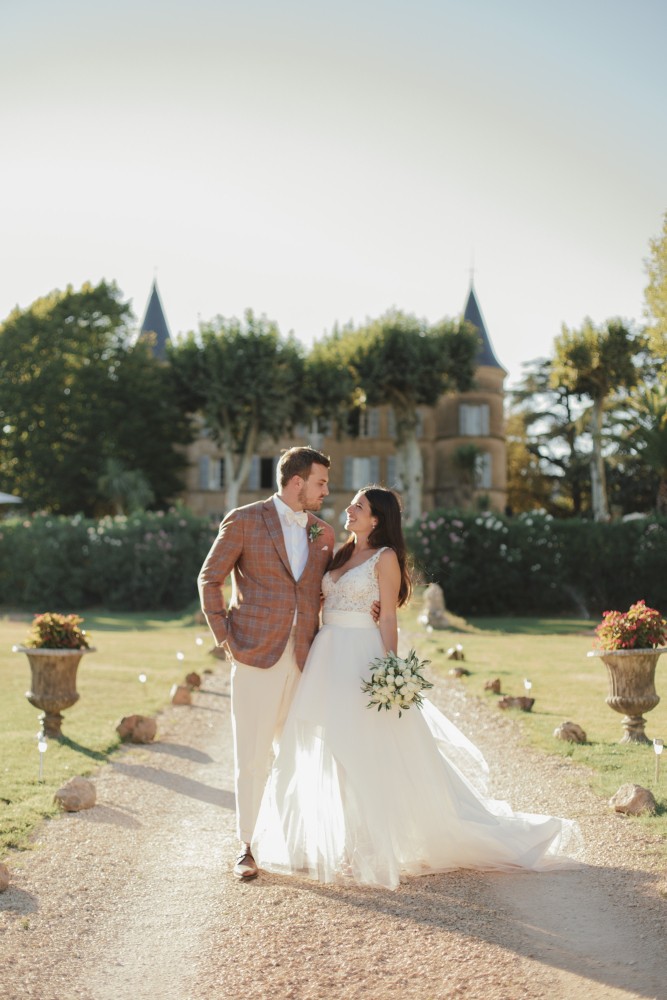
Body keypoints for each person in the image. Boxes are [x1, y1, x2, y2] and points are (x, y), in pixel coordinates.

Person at [252, 486, 582, 889]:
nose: (349, 509)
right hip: (327, 657)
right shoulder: (338, 553)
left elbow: (388, 617)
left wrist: (389, 673)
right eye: (353, 504)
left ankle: (367, 848)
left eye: (359, 506)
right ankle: (337, 842)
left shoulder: (385, 557)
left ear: (377, 519)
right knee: (332, 750)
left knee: (362, 751)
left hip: (360, 658)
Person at [198, 446, 336, 881]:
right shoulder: (245, 519)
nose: (325, 491)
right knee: (252, 756)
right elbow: (210, 577)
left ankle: (292, 842)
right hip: (255, 653)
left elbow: (326, 588)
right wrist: (224, 636)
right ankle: (247, 846)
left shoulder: (322, 532)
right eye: (320, 482)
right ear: (296, 482)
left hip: (304, 657)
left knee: (297, 754)